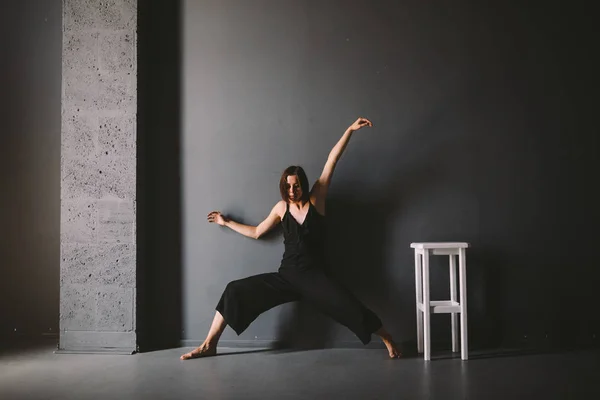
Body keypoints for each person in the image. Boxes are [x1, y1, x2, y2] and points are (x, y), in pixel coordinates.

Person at [181, 117, 401, 360]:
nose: (292, 191)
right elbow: (257, 232)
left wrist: (349, 130)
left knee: (349, 306)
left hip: (315, 277)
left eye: (296, 186)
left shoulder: (317, 199)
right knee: (235, 290)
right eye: (288, 186)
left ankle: (387, 337)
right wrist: (227, 222)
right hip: (287, 276)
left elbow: (332, 160)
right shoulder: (280, 208)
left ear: (303, 185)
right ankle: (209, 345)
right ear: (283, 187)